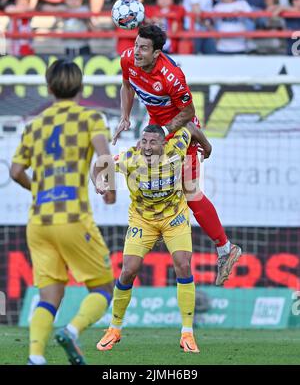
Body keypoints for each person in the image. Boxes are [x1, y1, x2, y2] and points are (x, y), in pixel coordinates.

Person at [113, 24, 241, 287]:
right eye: (136, 45)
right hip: (157, 130)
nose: (136, 52)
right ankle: (157, 229)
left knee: (190, 191)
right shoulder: (128, 59)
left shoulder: (172, 76)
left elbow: (188, 113)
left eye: (144, 48)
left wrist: (172, 131)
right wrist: (125, 117)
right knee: (149, 175)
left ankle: (225, 248)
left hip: (180, 130)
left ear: (157, 53)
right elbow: (126, 84)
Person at [10, 59, 116, 365]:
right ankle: (72, 330)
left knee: (49, 296)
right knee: (102, 288)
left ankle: (36, 357)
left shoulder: (35, 125)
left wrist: (39, 191)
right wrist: (109, 189)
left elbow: (16, 171)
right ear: (81, 88)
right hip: (72, 217)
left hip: (38, 220)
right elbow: (103, 153)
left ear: (48, 88)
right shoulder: (89, 118)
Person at [93, 123, 205, 352]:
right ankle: (114, 328)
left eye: (153, 142)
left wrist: (206, 145)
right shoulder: (129, 158)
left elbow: (191, 129)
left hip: (174, 217)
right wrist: (100, 180)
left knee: (183, 265)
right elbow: (101, 164)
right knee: (128, 270)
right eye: (144, 141)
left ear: (163, 144)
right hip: (142, 220)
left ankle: (187, 334)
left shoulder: (176, 150)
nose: (146, 146)